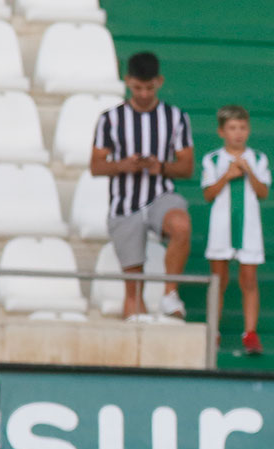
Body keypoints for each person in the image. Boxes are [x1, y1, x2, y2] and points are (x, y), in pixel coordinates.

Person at [90, 51, 193, 320]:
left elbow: (186, 166)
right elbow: (96, 166)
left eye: (149, 87)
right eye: (138, 88)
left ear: (159, 81)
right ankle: (139, 336)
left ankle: (170, 294)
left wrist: (161, 166)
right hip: (125, 202)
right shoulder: (109, 119)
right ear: (127, 82)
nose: (144, 94)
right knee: (133, 289)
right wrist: (123, 165)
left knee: (181, 224)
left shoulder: (176, 117)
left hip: (160, 194)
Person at [200, 104, 271, 355]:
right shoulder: (212, 159)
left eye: (242, 127)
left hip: (249, 228)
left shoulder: (259, 159)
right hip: (221, 227)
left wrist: (249, 172)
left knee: (249, 280)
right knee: (218, 280)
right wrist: (227, 175)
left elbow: (263, 192)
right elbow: (208, 194)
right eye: (232, 128)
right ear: (221, 132)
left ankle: (250, 333)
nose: (238, 133)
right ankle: (213, 331)